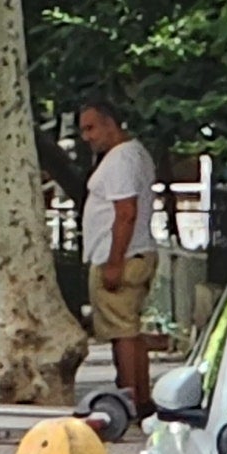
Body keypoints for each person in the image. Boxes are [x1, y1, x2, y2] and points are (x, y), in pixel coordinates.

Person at [76, 91, 160, 417]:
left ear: (110, 124)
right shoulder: (133, 154)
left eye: (91, 128)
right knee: (130, 330)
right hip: (133, 253)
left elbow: (125, 212)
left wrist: (113, 262)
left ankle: (129, 399)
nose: (87, 137)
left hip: (121, 257)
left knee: (122, 333)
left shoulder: (121, 159)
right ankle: (140, 398)